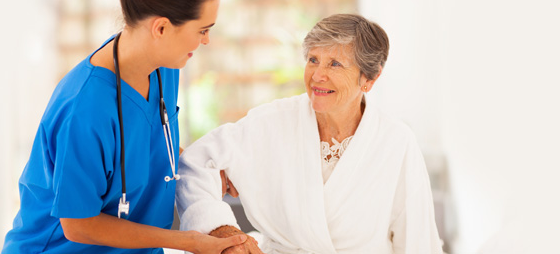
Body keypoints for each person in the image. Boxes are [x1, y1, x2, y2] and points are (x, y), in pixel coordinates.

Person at [2, 0, 247, 253]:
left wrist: (201, 168)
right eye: (202, 30)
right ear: (161, 28)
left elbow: (146, 145)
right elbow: (78, 224)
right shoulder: (85, 108)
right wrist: (185, 242)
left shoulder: (164, 66)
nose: (207, 41)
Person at [176, 14, 443, 253]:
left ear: (369, 78)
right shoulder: (272, 120)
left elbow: (415, 238)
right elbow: (196, 164)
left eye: (335, 64)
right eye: (313, 60)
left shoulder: (395, 141)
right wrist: (222, 229)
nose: (317, 75)